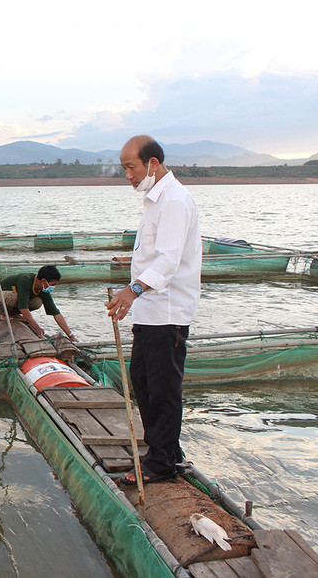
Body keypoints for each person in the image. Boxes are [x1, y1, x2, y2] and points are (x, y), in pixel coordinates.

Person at [105, 135, 202, 485]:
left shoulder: (175, 201)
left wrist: (132, 291)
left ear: (153, 164)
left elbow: (168, 260)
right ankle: (165, 451)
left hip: (168, 313)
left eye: (131, 167)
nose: (127, 174)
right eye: (124, 168)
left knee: (162, 388)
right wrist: (134, 297)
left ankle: (162, 463)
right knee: (143, 381)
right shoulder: (154, 202)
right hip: (150, 311)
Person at [0, 265, 78, 342]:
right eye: (52, 284)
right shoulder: (25, 280)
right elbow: (23, 308)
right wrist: (36, 327)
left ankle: (13, 313)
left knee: (37, 302)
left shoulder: (43, 289)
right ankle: (3, 313)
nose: (52, 287)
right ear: (43, 281)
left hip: (11, 300)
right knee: (14, 297)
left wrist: (71, 336)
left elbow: (56, 313)